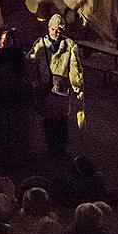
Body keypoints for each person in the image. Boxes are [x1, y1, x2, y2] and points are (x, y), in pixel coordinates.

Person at [29, 14, 85, 154]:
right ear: (49, 28)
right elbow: (31, 64)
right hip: (46, 88)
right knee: (48, 118)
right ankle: (51, 145)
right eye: (54, 29)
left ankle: (60, 146)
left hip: (61, 89)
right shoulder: (40, 44)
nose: (56, 32)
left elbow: (75, 69)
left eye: (59, 29)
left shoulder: (70, 45)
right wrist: (33, 82)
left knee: (61, 119)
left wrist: (78, 88)